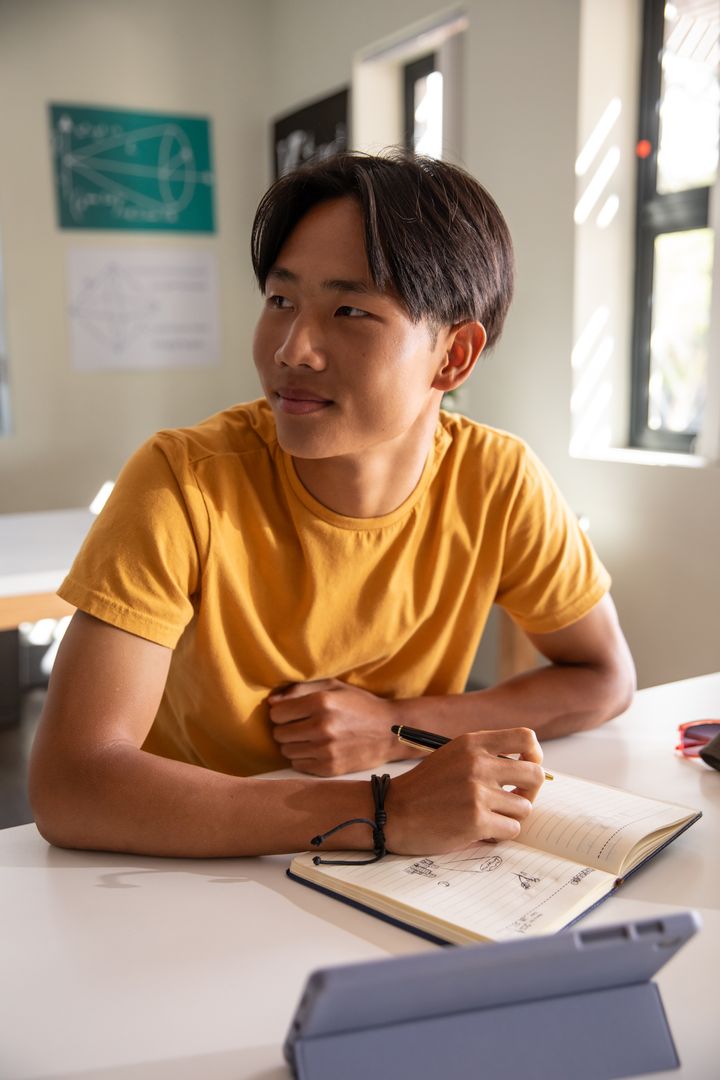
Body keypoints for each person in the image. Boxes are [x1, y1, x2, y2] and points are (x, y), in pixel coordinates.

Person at [29, 151, 636, 860]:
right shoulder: (181, 481)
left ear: (454, 357)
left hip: (385, 874)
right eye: (281, 301)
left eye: (349, 310)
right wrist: (380, 810)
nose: (293, 349)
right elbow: (72, 782)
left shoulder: (498, 479)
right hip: (178, 868)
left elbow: (605, 676)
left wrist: (396, 726)